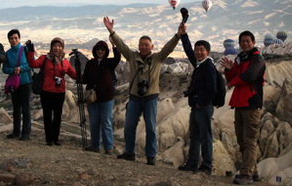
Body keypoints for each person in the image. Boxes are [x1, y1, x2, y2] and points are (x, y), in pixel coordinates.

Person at [103, 16, 180, 165]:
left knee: (150, 127)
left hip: (150, 96)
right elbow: (122, 45)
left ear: (151, 47)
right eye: (141, 45)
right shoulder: (132, 57)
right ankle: (129, 152)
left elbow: (168, 48)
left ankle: (151, 156)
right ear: (138, 46)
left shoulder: (157, 59)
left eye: (146, 45)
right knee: (129, 126)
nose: (143, 47)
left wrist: (177, 35)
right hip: (135, 97)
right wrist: (111, 31)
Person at [220, 30, 266, 185]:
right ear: (239, 44)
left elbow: (249, 76)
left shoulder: (257, 59)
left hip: (251, 102)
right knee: (241, 140)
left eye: (248, 41)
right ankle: (254, 172)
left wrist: (233, 81)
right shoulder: (242, 58)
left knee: (250, 140)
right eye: (242, 41)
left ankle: (246, 174)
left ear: (253, 42)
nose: (245, 44)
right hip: (239, 102)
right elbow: (233, 76)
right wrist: (229, 69)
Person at [177, 22, 218, 175]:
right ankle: (192, 163)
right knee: (194, 135)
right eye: (197, 50)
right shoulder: (200, 64)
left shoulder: (208, 66)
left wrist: (201, 102)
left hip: (203, 106)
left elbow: (212, 89)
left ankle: (206, 166)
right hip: (197, 105)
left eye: (202, 50)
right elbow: (188, 51)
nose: (199, 52)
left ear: (208, 52)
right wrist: (184, 35)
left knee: (205, 136)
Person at [30, 37, 77, 146]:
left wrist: (87, 76)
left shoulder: (65, 61)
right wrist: (30, 52)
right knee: (47, 116)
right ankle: (49, 139)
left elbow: (74, 75)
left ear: (62, 48)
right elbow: (33, 64)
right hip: (46, 91)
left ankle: (56, 138)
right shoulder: (44, 58)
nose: (57, 48)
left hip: (59, 92)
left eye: (59, 46)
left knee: (57, 116)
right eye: (55, 46)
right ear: (51, 47)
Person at [82, 40, 119, 154]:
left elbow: (117, 58)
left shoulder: (109, 63)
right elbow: (85, 79)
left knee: (106, 122)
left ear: (106, 51)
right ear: (95, 50)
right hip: (93, 98)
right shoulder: (90, 63)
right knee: (94, 122)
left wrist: (114, 46)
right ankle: (95, 146)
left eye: (102, 49)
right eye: (98, 49)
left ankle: (108, 147)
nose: (100, 51)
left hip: (106, 98)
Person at [2, 29, 33, 140]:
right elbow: (4, 69)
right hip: (14, 84)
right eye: (11, 38)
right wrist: (12, 70)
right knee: (16, 108)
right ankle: (16, 132)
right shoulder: (8, 54)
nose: (14, 40)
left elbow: (31, 64)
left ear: (19, 39)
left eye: (16, 38)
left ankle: (26, 133)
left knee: (25, 108)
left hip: (25, 83)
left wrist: (21, 68)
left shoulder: (25, 50)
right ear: (9, 40)